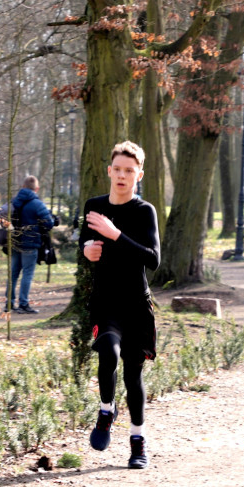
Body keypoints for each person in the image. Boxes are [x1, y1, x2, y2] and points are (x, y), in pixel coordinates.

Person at [80, 141, 160, 469]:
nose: (123, 175)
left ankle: (137, 443)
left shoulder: (144, 212)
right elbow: (82, 249)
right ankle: (105, 410)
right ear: (109, 171)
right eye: (118, 169)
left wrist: (115, 236)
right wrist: (86, 252)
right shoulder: (94, 206)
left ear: (139, 175)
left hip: (137, 306)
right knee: (108, 352)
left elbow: (153, 259)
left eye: (130, 170)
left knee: (133, 377)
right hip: (106, 302)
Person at [6, 175, 55, 314]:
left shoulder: (14, 202)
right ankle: (23, 304)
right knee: (27, 274)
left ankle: (9, 303)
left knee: (13, 274)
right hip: (30, 242)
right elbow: (49, 223)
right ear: (36, 188)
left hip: (15, 242)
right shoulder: (37, 204)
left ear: (23, 187)